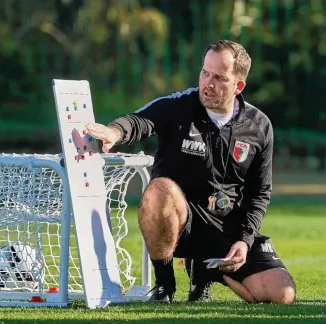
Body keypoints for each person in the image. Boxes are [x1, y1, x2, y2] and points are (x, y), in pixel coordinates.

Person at [85, 40, 296, 304]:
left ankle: (206, 270)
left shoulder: (259, 126)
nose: (208, 83)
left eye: (219, 77)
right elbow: (140, 121)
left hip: (225, 229)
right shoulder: (179, 105)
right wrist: (114, 131)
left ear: (238, 86)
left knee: (282, 295)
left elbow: (259, 192)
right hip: (181, 223)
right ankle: (164, 285)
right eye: (205, 72)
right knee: (160, 188)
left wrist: (244, 240)